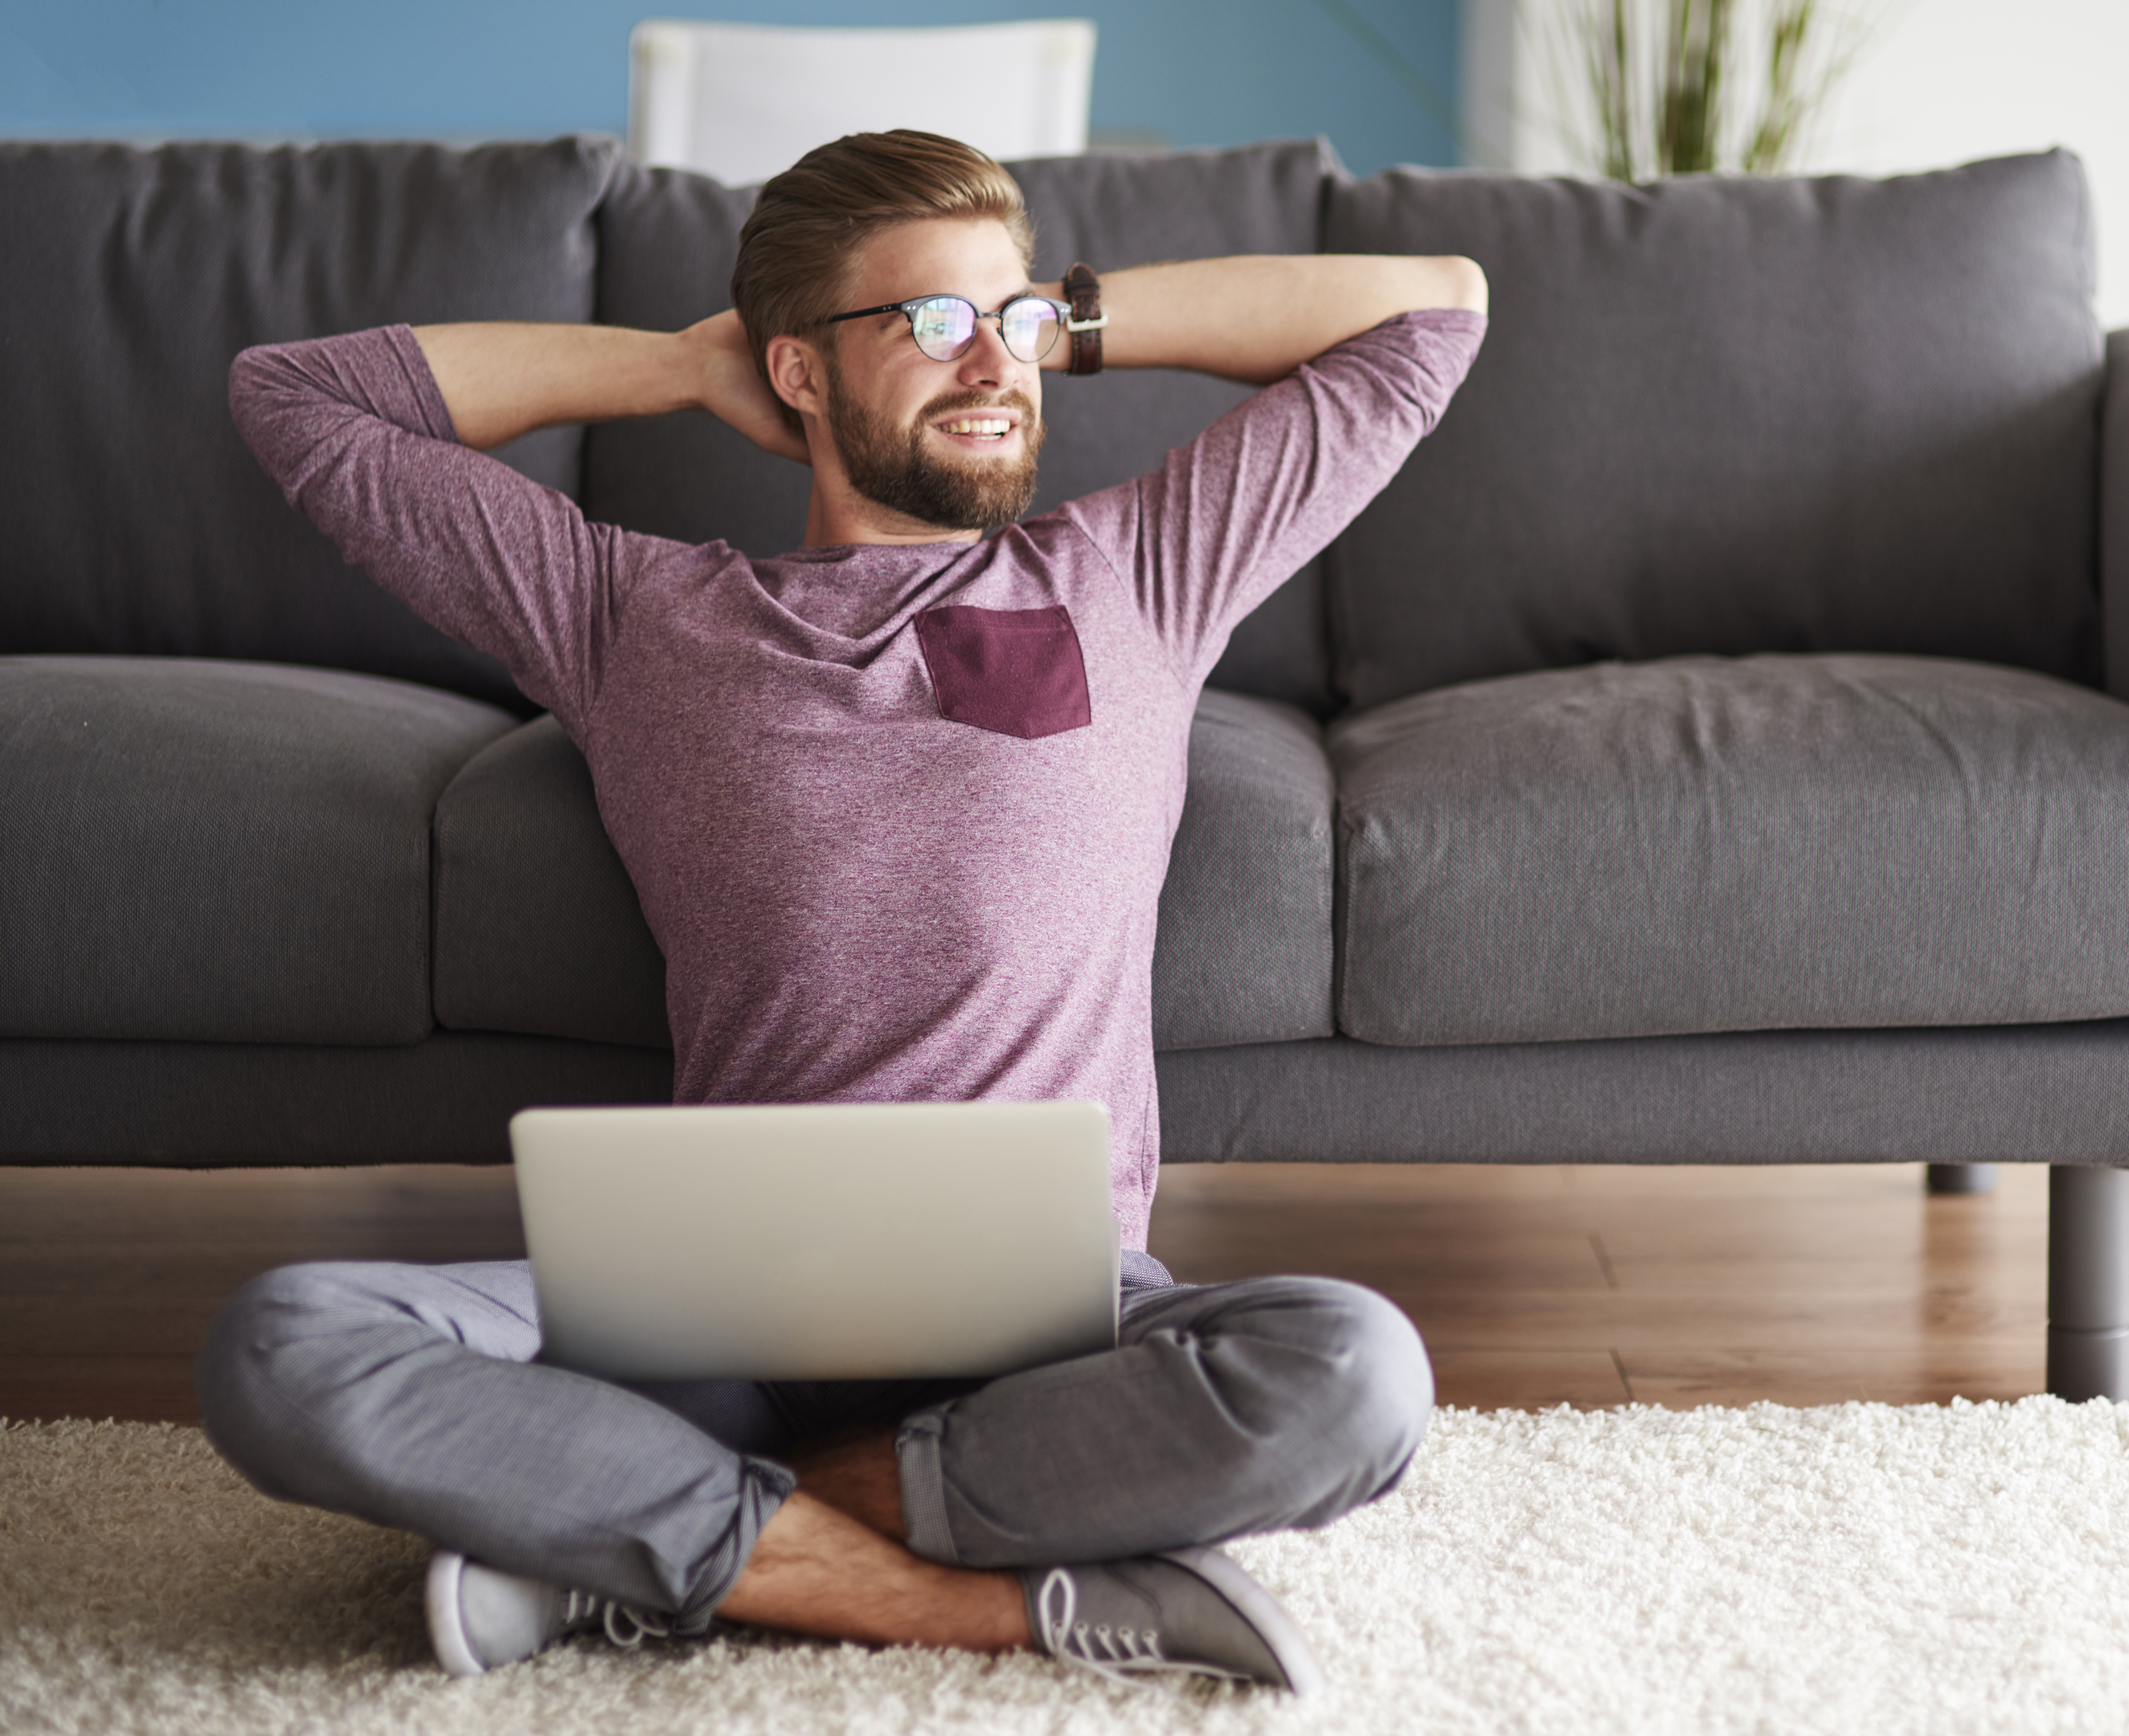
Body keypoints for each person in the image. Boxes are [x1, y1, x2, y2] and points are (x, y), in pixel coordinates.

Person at [193, 129, 1488, 1694]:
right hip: (700, 1338)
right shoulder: (628, 614)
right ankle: (982, 1598)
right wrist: (681, 364)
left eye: (1007, 322)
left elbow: (1434, 311)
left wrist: (1054, 316)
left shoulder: (1136, 573)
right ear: (797, 375)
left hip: (1055, 1334)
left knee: (1357, 1378)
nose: (989, 363)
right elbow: (296, 397)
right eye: (931, 326)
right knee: (283, 1346)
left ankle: (638, 1542)